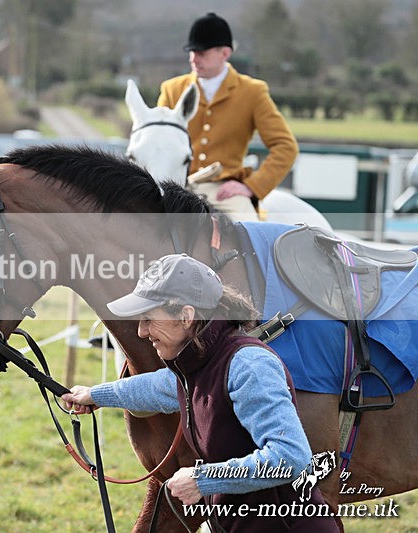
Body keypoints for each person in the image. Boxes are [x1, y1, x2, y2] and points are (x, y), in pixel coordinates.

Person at [61, 254, 338, 532]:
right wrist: (95, 395)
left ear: (186, 316)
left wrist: (202, 480)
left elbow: (290, 457)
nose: (142, 331)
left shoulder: (249, 366)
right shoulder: (201, 362)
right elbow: (158, 387)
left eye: (148, 319)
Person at [157, 12, 299, 222]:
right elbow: (158, 142)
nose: (194, 59)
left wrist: (251, 186)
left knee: (249, 231)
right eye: (191, 51)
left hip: (224, 191)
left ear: (225, 53)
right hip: (175, 187)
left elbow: (286, 147)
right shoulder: (172, 89)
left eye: (202, 52)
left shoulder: (253, 92)